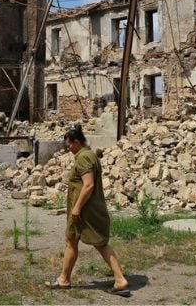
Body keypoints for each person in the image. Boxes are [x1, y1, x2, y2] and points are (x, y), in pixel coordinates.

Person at [47, 124, 130, 297]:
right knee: (71, 240)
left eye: (69, 144)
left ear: (77, 142)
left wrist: (76, 207)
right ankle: (64, 279)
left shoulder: (84, 157)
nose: (68, 148)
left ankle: (120, 279)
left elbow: (88, 185)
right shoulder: (87, 154)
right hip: (82, 209)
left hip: (84, 210)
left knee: (100, 243)